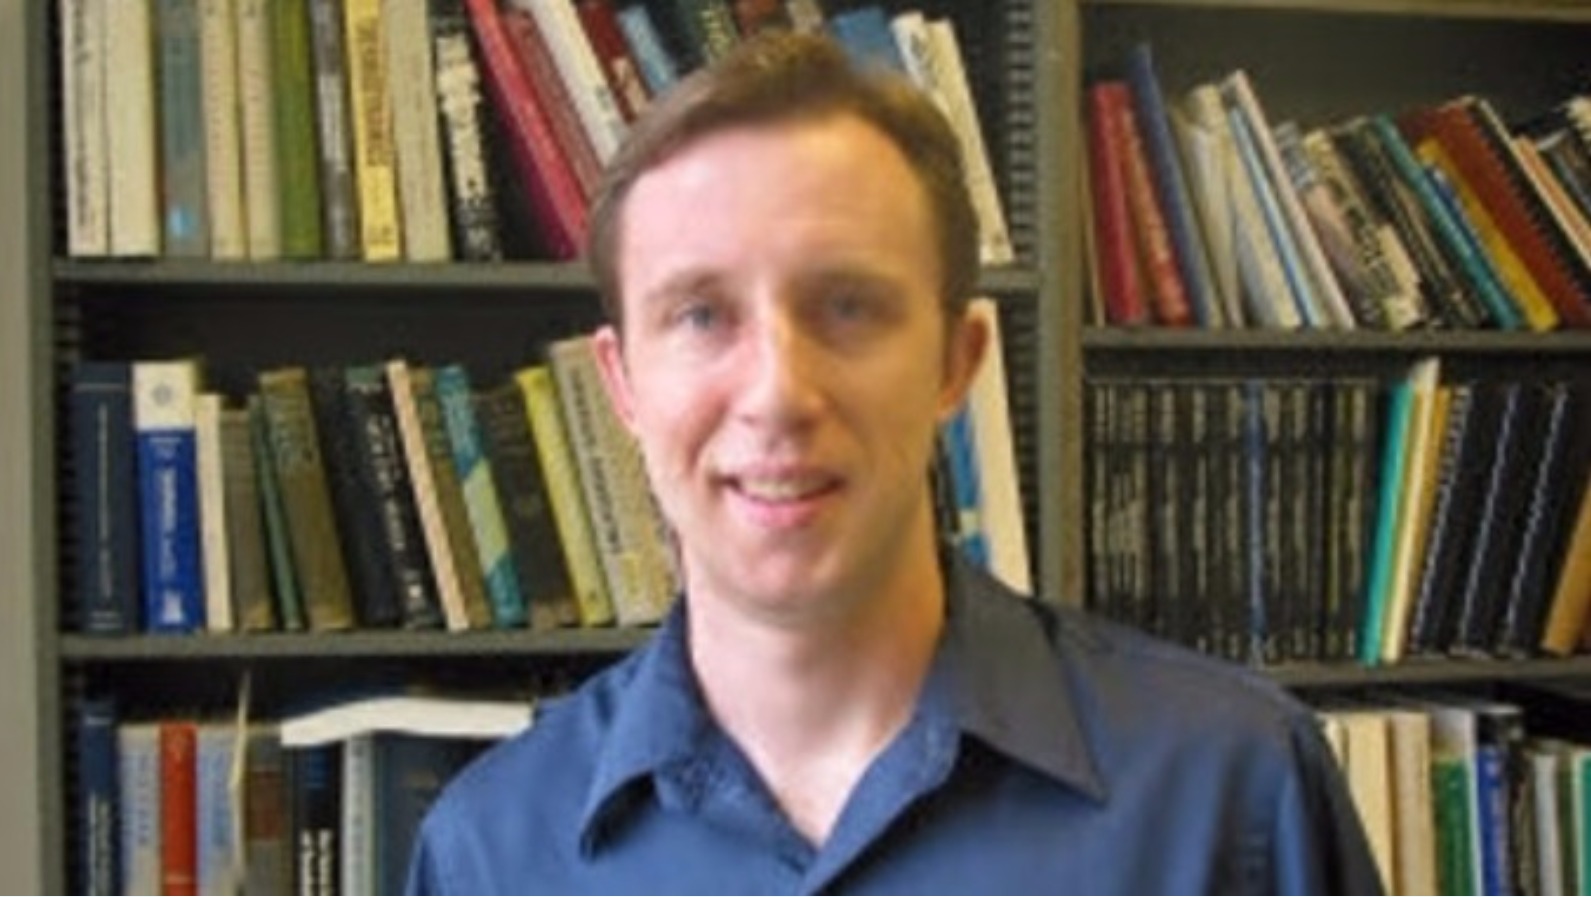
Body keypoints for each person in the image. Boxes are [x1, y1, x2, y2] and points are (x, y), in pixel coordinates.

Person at [407, 29, 1382, 895]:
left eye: (847, 306)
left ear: (956, 361)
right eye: (700, 315)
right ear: (621, 384)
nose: (778, 393)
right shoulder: (487, 853)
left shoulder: (1232, 794)